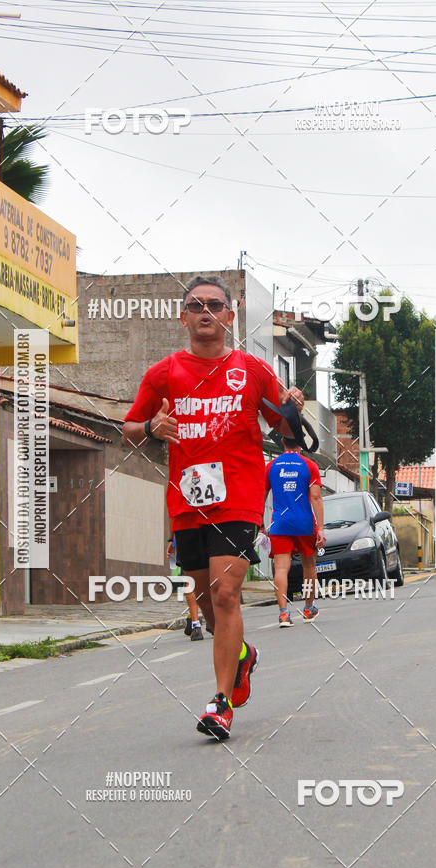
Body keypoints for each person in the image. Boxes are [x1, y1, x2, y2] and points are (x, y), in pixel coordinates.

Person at [122, 275, 303, 739]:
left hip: (239, 496)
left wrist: (292, 410)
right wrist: (153, 428)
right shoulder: (164, 373)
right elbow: (129, 426)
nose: (206, 312)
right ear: (183, 317)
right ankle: (241, 655)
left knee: (226, 594)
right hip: (187, 500)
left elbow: (285, 433)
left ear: (229, 316)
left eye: (215, 305)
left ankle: (220, 703)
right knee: (204, 604)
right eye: (196, 305)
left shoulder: (254, 370)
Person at [263, 437, 325, 626]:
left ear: (282, 441)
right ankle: (308, 608)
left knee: (281, 568)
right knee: (309, 566)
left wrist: (259, 524)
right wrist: (321, 528)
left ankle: (283, 613)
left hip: (280, 524)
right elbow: (316, 497)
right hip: (304, 524)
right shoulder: (310, 465)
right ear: (300, 443)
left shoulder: (271, 466)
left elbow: (261, 495)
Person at [167, 536, 203, 640]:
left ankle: (195, 624)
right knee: (208, 578)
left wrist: (172, 541)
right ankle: (202, 619)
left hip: (187, 534)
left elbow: (174, 520)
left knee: (190, 579)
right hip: (210, 535)